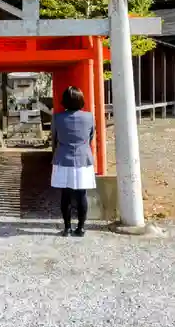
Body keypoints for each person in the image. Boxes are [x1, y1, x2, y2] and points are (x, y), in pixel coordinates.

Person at [51, 86, 96, 237]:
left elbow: (55, 138)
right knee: (81, 195)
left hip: (64, 158)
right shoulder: (89, 117)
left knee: (66, 194)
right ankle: (81, 228)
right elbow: (90, 137)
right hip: (83, 157)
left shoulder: (57, 117)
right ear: (81, 100)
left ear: (64, 101)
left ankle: (67, 228)